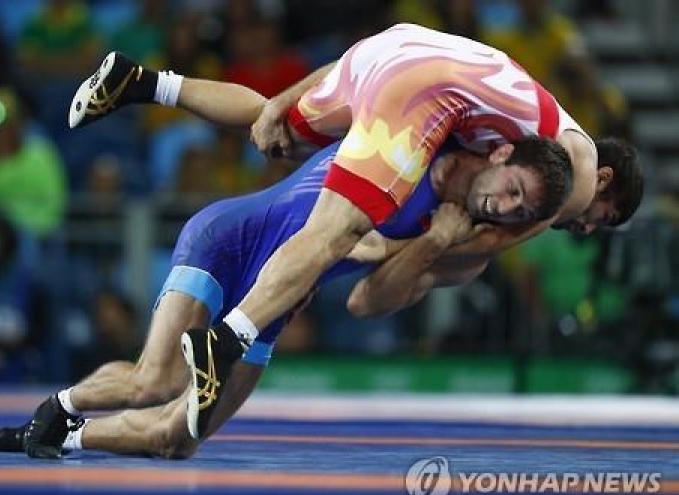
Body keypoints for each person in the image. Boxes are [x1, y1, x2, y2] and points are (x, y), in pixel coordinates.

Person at [66, 23, 643, 441]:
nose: (588, 226)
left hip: (397, 46)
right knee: (335, 232)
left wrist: (291, 100)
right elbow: (482, 239)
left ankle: (147, 83)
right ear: (606, 181)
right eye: (604, 215)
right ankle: (226, 340)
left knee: (274, 126)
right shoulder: (569, 180)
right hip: (424, 88)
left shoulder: (534, 125)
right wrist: (421, 243)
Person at [0, 133, 572, 458]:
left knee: (177, 439)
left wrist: (435, 242)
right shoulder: (415, 146)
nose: (509, 206)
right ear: (499, 154)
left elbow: (367, 301)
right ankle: (58, 406)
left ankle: (67, 435)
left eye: (524, 211)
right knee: (154, 381)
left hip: (276, 297)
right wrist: (426, 241)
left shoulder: (457, 236)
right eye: (514, 189)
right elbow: (353, 249)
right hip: (229, 243)